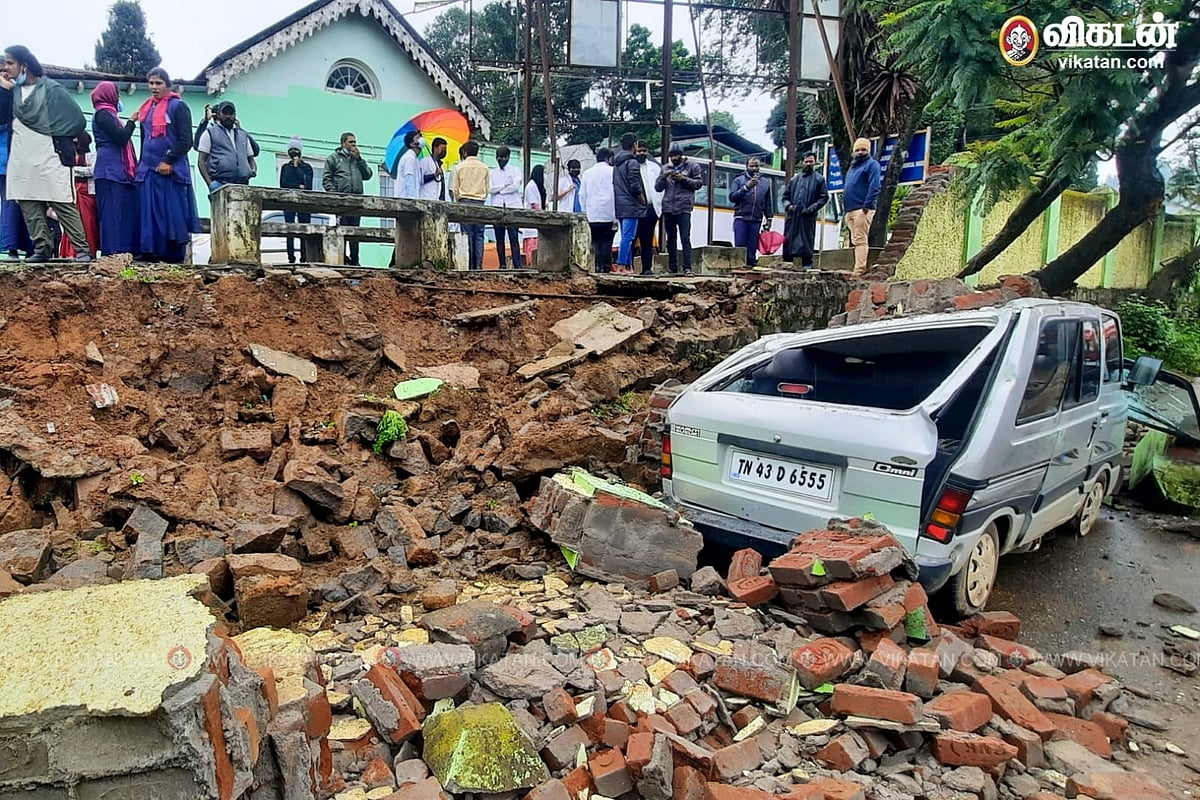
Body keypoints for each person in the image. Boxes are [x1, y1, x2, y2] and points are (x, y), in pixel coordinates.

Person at [1, 45, 92, 262]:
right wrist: (3, 90)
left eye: (10, 63)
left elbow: (75, 119)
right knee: (28, 202)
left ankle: (82, 250)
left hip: (52, 155)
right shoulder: (12, 92)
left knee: (61, 201)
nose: (6, 68)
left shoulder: (51, 89)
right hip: (22, 156)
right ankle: (42, 249)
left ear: (24, 65)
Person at [133, 67, 200, 264]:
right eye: (151, 83)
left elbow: (186, 140)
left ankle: (173, 256)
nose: (154, 87)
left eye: (158, 83)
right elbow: (144, 141)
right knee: (150, 213)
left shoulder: (178, 107)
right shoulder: (146, 109)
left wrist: (168, 161)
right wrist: (141, 165)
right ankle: (150, 253)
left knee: (172, 213)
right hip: (148, 170)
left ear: (168, 85)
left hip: (170, 171)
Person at [89, 80, 139, 256]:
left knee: (123, 213)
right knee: (111, 214)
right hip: (109, 171)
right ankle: (112, 253)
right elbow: (120, 138)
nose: (119, 99)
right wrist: (131, 122)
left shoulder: (112, 116)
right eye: (117, 95)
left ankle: (125, 251)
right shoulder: (102, 114)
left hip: (120, 172)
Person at [323, 131, 372, 265]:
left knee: (355, 232)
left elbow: (368, 175)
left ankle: (355, 260)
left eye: (355, 142)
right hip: (342, 202)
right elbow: (326, 179)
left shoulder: (357, 159)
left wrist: (359, 159)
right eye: (351, 142)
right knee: (342, 231)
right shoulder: (333, 158)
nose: (353, 144)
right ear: (343, 143)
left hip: (356, 201)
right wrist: (335, 195)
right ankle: (343, 260)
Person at [655, 142, 703, 276]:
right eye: (671, 156)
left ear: (682, 155)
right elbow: (658, 188)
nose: (674, 158)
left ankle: (687, 267)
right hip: (668, 208)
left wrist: (683, 179)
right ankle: (672, 267)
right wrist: (664, 176)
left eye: (676, 155)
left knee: (685, 238)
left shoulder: (692, 166)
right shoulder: (665, 168)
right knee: (670, 239)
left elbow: (698, 183)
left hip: (684, 207)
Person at [0, 73, 34, 259]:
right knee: (11, 204)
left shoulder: (19, 93)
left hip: (22, 158)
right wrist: (5, 90)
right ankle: (12, 247)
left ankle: (30, 246)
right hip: (6, 161)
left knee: (29, 203)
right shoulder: (4, 94)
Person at [782, 151, 829, 271]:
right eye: (806, 161)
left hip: (808, 216)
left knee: (807, 239)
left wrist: (811, 209)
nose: (808, 164)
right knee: (789, 239)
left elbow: (824, 197)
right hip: (793, 216)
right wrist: (789, 206)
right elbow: (785, 197)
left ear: (815, 162)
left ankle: (807, 264)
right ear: (802, 162)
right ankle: (787, 263)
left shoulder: (819, 179)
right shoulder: (794, 180)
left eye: (811, 161)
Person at [197, 101, 256, 192]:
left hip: (243, 185)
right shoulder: (210, 132)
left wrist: (252, 171)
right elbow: (201, 160)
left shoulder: (242, 135)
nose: (228, 116)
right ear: (219, 115)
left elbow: (251, 158)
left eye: (231, 113)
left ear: (235, 115)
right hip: (220, 184)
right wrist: (210, 184)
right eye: (225, 113)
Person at [843, 137, 881, 275]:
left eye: (863, 149)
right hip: (850, 210)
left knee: (860, 240)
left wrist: (866, 207)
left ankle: (859, 270)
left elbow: (875, 186)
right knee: (856, 240)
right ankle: (858, 267)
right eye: (857, 150)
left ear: (869, 150)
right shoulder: (853, 167)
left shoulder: (872, 165)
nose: (860, 152)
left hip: (862, 209)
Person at [58, 131, 99, 258]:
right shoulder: (67, 158)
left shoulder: (92, 156)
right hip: (72, 194)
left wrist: (72, 170)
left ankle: (88, 252)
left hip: (87, 194)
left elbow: (92, 170)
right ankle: (69, 253)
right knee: (71, 223)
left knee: (88, 224)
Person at [451, 139, 490, 271]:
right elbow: (487, 188)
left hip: (464, 201)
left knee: (467, 235)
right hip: (480, 202)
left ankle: (469, 265)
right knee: (479, 235)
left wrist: (459, 200)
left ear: (465, 152)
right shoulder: (485, 168)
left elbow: (455, 189)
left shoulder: (459, 167)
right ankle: (478, 265)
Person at [611, 131, 646, 275]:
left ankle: (628, 266)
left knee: (626, 235)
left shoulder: (617, 164)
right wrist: (642, 200)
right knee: (628, 237)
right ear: (634, 145)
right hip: (631, 205)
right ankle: (621, 266)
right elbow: (635, 186)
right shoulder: (632, 162)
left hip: (620, 204)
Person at [729, 156, 772, 267]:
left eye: (756, 166)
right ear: (746, 166)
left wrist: (769, 218)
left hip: (756, 219)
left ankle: (751, 268)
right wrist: (746, 187)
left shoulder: (765, 182)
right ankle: (738, 268)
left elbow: (768, 202)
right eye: (751, 166)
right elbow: (732, 197)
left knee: (752, 247)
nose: (754, 168)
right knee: (740, 246)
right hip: (741, 217)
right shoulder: (739, 180)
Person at [579, 147, 615, 273]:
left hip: (592, 213)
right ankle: (606, 266)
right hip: (609, 212)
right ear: (608, 158)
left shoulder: (587, 173)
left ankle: (596, 266)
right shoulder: (613, 172)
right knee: (607, 241)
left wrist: (584, 211)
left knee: (594, 241)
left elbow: (582, 195)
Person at [488, 146, 523, 269]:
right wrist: (504, 186)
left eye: (503, 157)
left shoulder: (515, 170)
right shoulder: (492, 173)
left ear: (508, 157)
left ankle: (517, 265)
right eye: (499, 157)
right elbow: (490, 189)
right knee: (499, 238)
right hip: (497, 208)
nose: (501, 160)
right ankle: (502, 264)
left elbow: (515, 186)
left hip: (512, 207)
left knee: (514, 237)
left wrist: (499, 190)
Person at [279, 136, 312, 263]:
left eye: (296, 150)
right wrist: (298, 186)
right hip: (288, 202)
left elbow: (307, 185)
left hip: (304, 203)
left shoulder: (307, 167)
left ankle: (304, 258)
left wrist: (296, 167)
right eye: (291, 150)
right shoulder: (285, 167)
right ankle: (291, 258)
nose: (293, 152)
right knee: (290, 230)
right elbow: (284, 184)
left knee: (304, 230)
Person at [634, 141, 662, 276]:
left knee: (647, 240)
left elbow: (660, 187)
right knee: (631, 238)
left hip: (651, 208)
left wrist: (659, 206)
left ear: (647, 152)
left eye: (644, 151)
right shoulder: (631, 166)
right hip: (635, 208)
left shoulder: (654, 167)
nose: (641, 153)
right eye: (639, 151)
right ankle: (628, 267)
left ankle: (646, 269)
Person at [522, 163, 547, 266]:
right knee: (532, 250)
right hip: (532, 224)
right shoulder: (531, 186)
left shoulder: (539, 187)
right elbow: (534, 204)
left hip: (537, 225)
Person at [394, 129, 421, 200]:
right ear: (412, 144)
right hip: (406, 199)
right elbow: (409, 179)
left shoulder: (415, 159)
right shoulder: (409, 158)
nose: (421, 140)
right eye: (418, 138)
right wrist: (412, 199)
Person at [418, 137, 447, 201]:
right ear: (435, 148)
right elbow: (419, 179)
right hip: (427, 198)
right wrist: (434, 175)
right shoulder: (425, 161)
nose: (444, 151)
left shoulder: (441, 165)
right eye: (442, 148)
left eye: (445, 149)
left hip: (438, 200)